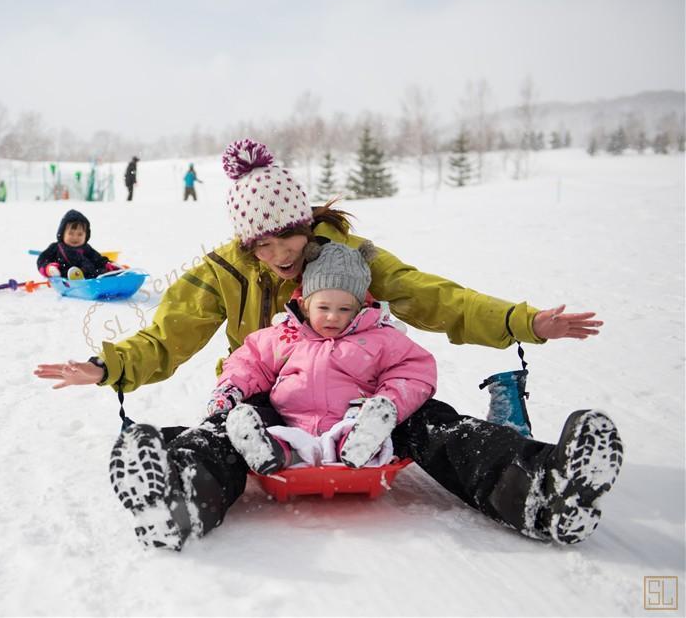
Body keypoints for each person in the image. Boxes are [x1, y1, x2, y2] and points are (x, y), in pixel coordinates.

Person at [34, 139, 621, 552]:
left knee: (440, 426)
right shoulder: (223, 274)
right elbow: (166, 337)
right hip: (271, 398)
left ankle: (544, 493)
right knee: (223, 434)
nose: (278, 255)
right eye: (260, 246)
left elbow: (434, 297)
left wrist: (523, 322)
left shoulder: (351, 261)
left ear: (305, 221)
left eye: (287, 236)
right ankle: (177, 503)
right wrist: (105, 364)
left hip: (364, 398)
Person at [215, 241, 436, 475]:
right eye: (323, 307)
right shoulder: (285, 336)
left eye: (344, 309)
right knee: (265, 422)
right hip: (288, 422)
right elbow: (250, 361)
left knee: (359, 423)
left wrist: (387, 402)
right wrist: (230, 388)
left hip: (351, 421)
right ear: (304, 305)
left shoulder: (378, 337)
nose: (333, 317)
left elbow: (412, 370)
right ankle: (265, 450)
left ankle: (358, 445)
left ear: (359, 308)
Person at [36, 209, 120, 280]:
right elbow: (42, 260)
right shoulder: (56, 248)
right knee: (66, 272)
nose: (75, 238)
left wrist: (107, 263)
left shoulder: (86, 248)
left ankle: (113, 273)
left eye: (80, 234)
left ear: (86, 235)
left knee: (100, 270)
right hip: (65, 276)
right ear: (62, 233)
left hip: (90, 276)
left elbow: (98, 259)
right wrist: (49, 268)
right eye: (71, 233)